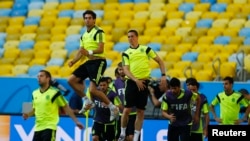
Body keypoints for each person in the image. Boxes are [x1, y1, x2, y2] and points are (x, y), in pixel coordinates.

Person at [67, 10, 118, 120]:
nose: (87, 20)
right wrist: (74, 61)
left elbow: (100, 49)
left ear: (94, 20)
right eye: (85, 18)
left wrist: (89, 52)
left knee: (93, 90)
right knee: (71, 80)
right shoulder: (84, 35)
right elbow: (81, 51)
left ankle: (113, 108)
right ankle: (87, 101)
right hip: (88, 63)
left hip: (98, 62)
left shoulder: (99, 32)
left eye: (90, 18)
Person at [118, 29, 167, 141]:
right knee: (127, 110)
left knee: (140, 111)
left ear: (137, 37)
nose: (130, 38)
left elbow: (160, 61)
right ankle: (122, 132)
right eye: (128, 37)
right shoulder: (126, 53)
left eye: (132, 36)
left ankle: (136, 137)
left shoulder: (145, 49)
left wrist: (163, 75)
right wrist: (135, 80)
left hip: (144, 82)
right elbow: (125, 69)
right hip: (132, 82)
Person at [22, 70, 84, 141]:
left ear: (48, 78)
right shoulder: (34, 93)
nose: (39, 78)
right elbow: (34, 109)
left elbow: (66, 107)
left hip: (50, 127)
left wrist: (76, 121)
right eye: (38, 76)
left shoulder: (55, 93)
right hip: (37, 128)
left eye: (41, 76)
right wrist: (27, 115)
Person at [85, 77, 122, 141]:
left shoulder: (112, 94)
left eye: (104, 85)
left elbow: (120, 106)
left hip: (110, 123)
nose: (102, 87)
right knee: (95, 138)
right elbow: (91, 103)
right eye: (100, 85)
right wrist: (88, 106)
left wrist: (109, 105)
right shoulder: (95, 93)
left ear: (107, 85)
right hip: (98, 121)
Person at [114, 62, 139, 141]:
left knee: (132, 137)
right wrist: (118, 106)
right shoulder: (115, 83)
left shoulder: (133, 81)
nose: (121, 71)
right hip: (122, 114)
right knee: (123, 137)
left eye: (123, 69)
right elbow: (113, 96)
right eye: (119, 70)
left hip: (133, 113)